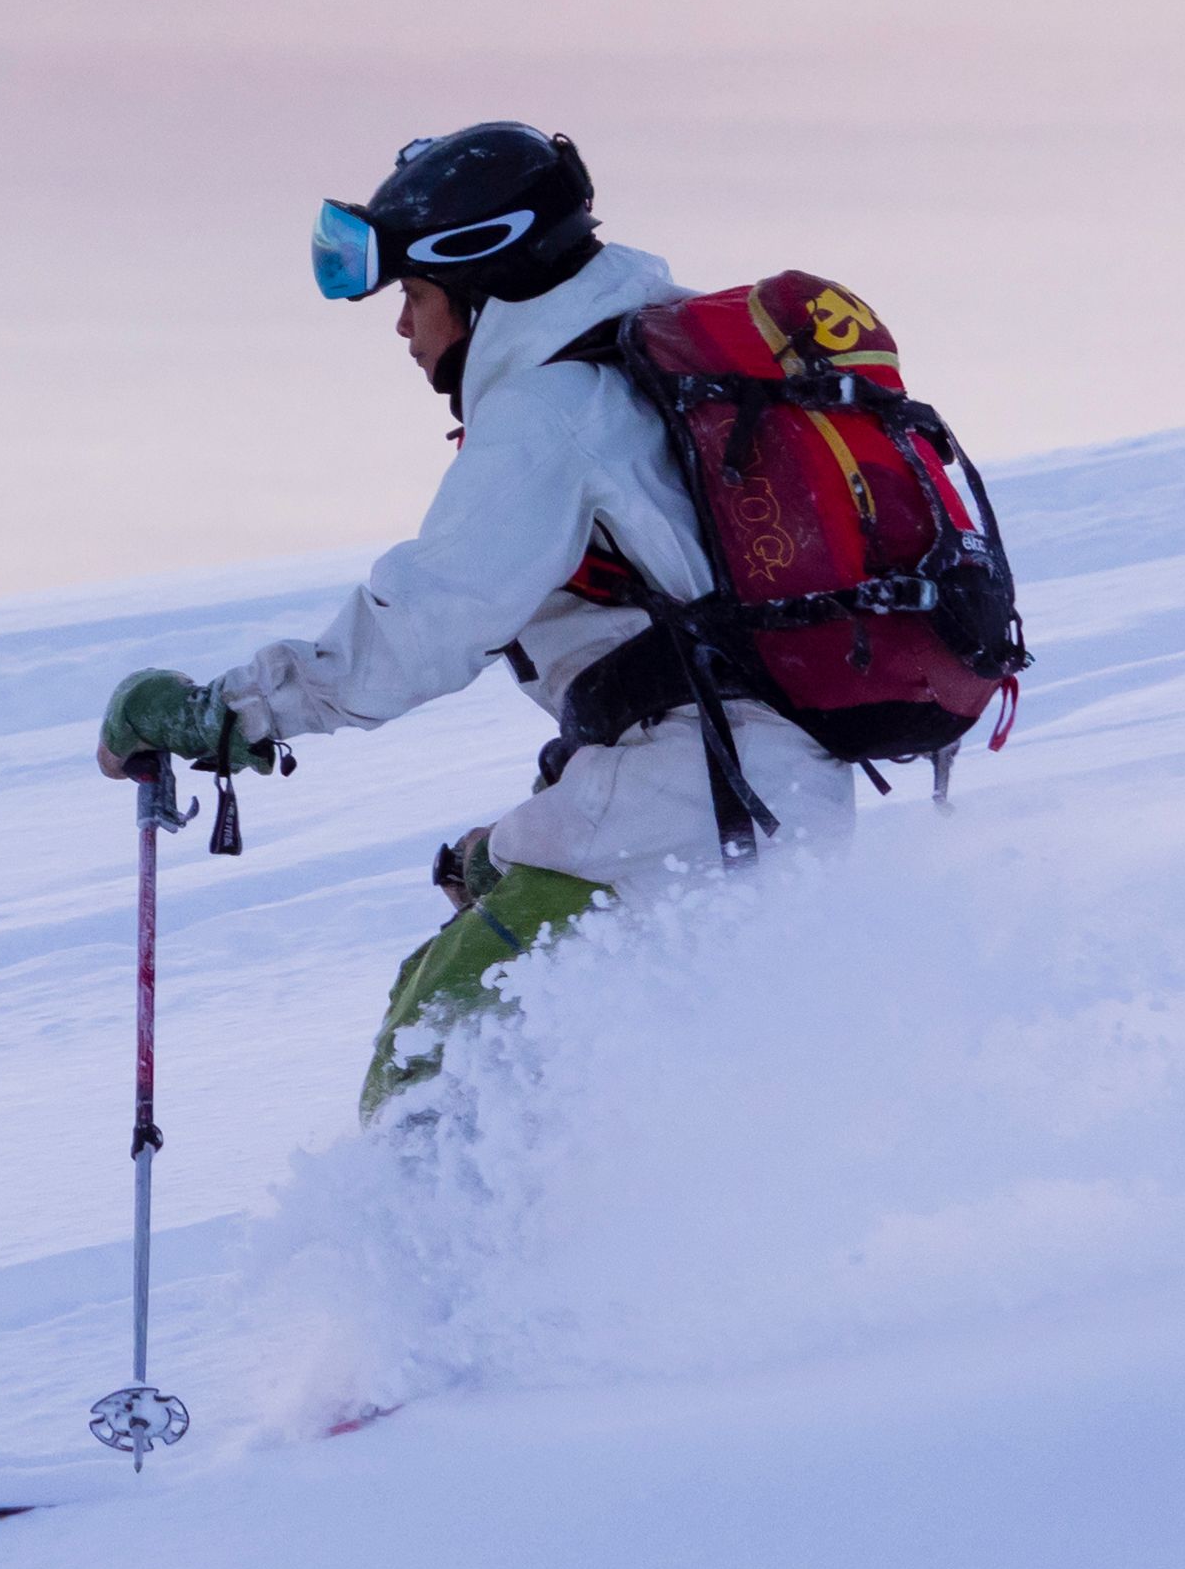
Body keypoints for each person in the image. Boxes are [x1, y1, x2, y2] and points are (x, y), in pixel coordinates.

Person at [94, 123, 852, 1114]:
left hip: (707, 791)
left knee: (435, 1045)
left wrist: (222, 713)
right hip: (747, 791)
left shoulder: (554, 410)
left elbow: (421, 626)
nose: (400, 325)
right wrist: (513, 840)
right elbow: (649, 648)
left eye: (411, 293)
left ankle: (435, 1262)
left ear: (478, 277)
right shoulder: (637, 362)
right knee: (541, 1047)